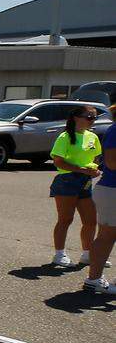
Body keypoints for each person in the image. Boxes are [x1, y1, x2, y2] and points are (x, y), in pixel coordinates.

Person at [49, 106, 103, 267]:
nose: (92, 121)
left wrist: (94, 169)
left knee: (90, 220)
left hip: (85, 181)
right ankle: (59, 254)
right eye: (89, 117)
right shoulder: (65, 137)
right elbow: (58, 161)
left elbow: (97, 157)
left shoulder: (92, 136)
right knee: (65, 219)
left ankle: (87, 254)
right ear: (76, 118)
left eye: (94, 118)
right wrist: (81, 169)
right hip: (67, 180)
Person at [83, 104, 116, 294]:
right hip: (111, 190)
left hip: (110, 190)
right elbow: (111, 162)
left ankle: (94, 279)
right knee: (106, 236)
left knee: (107, 236)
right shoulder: (115, 130)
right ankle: (94, 279)